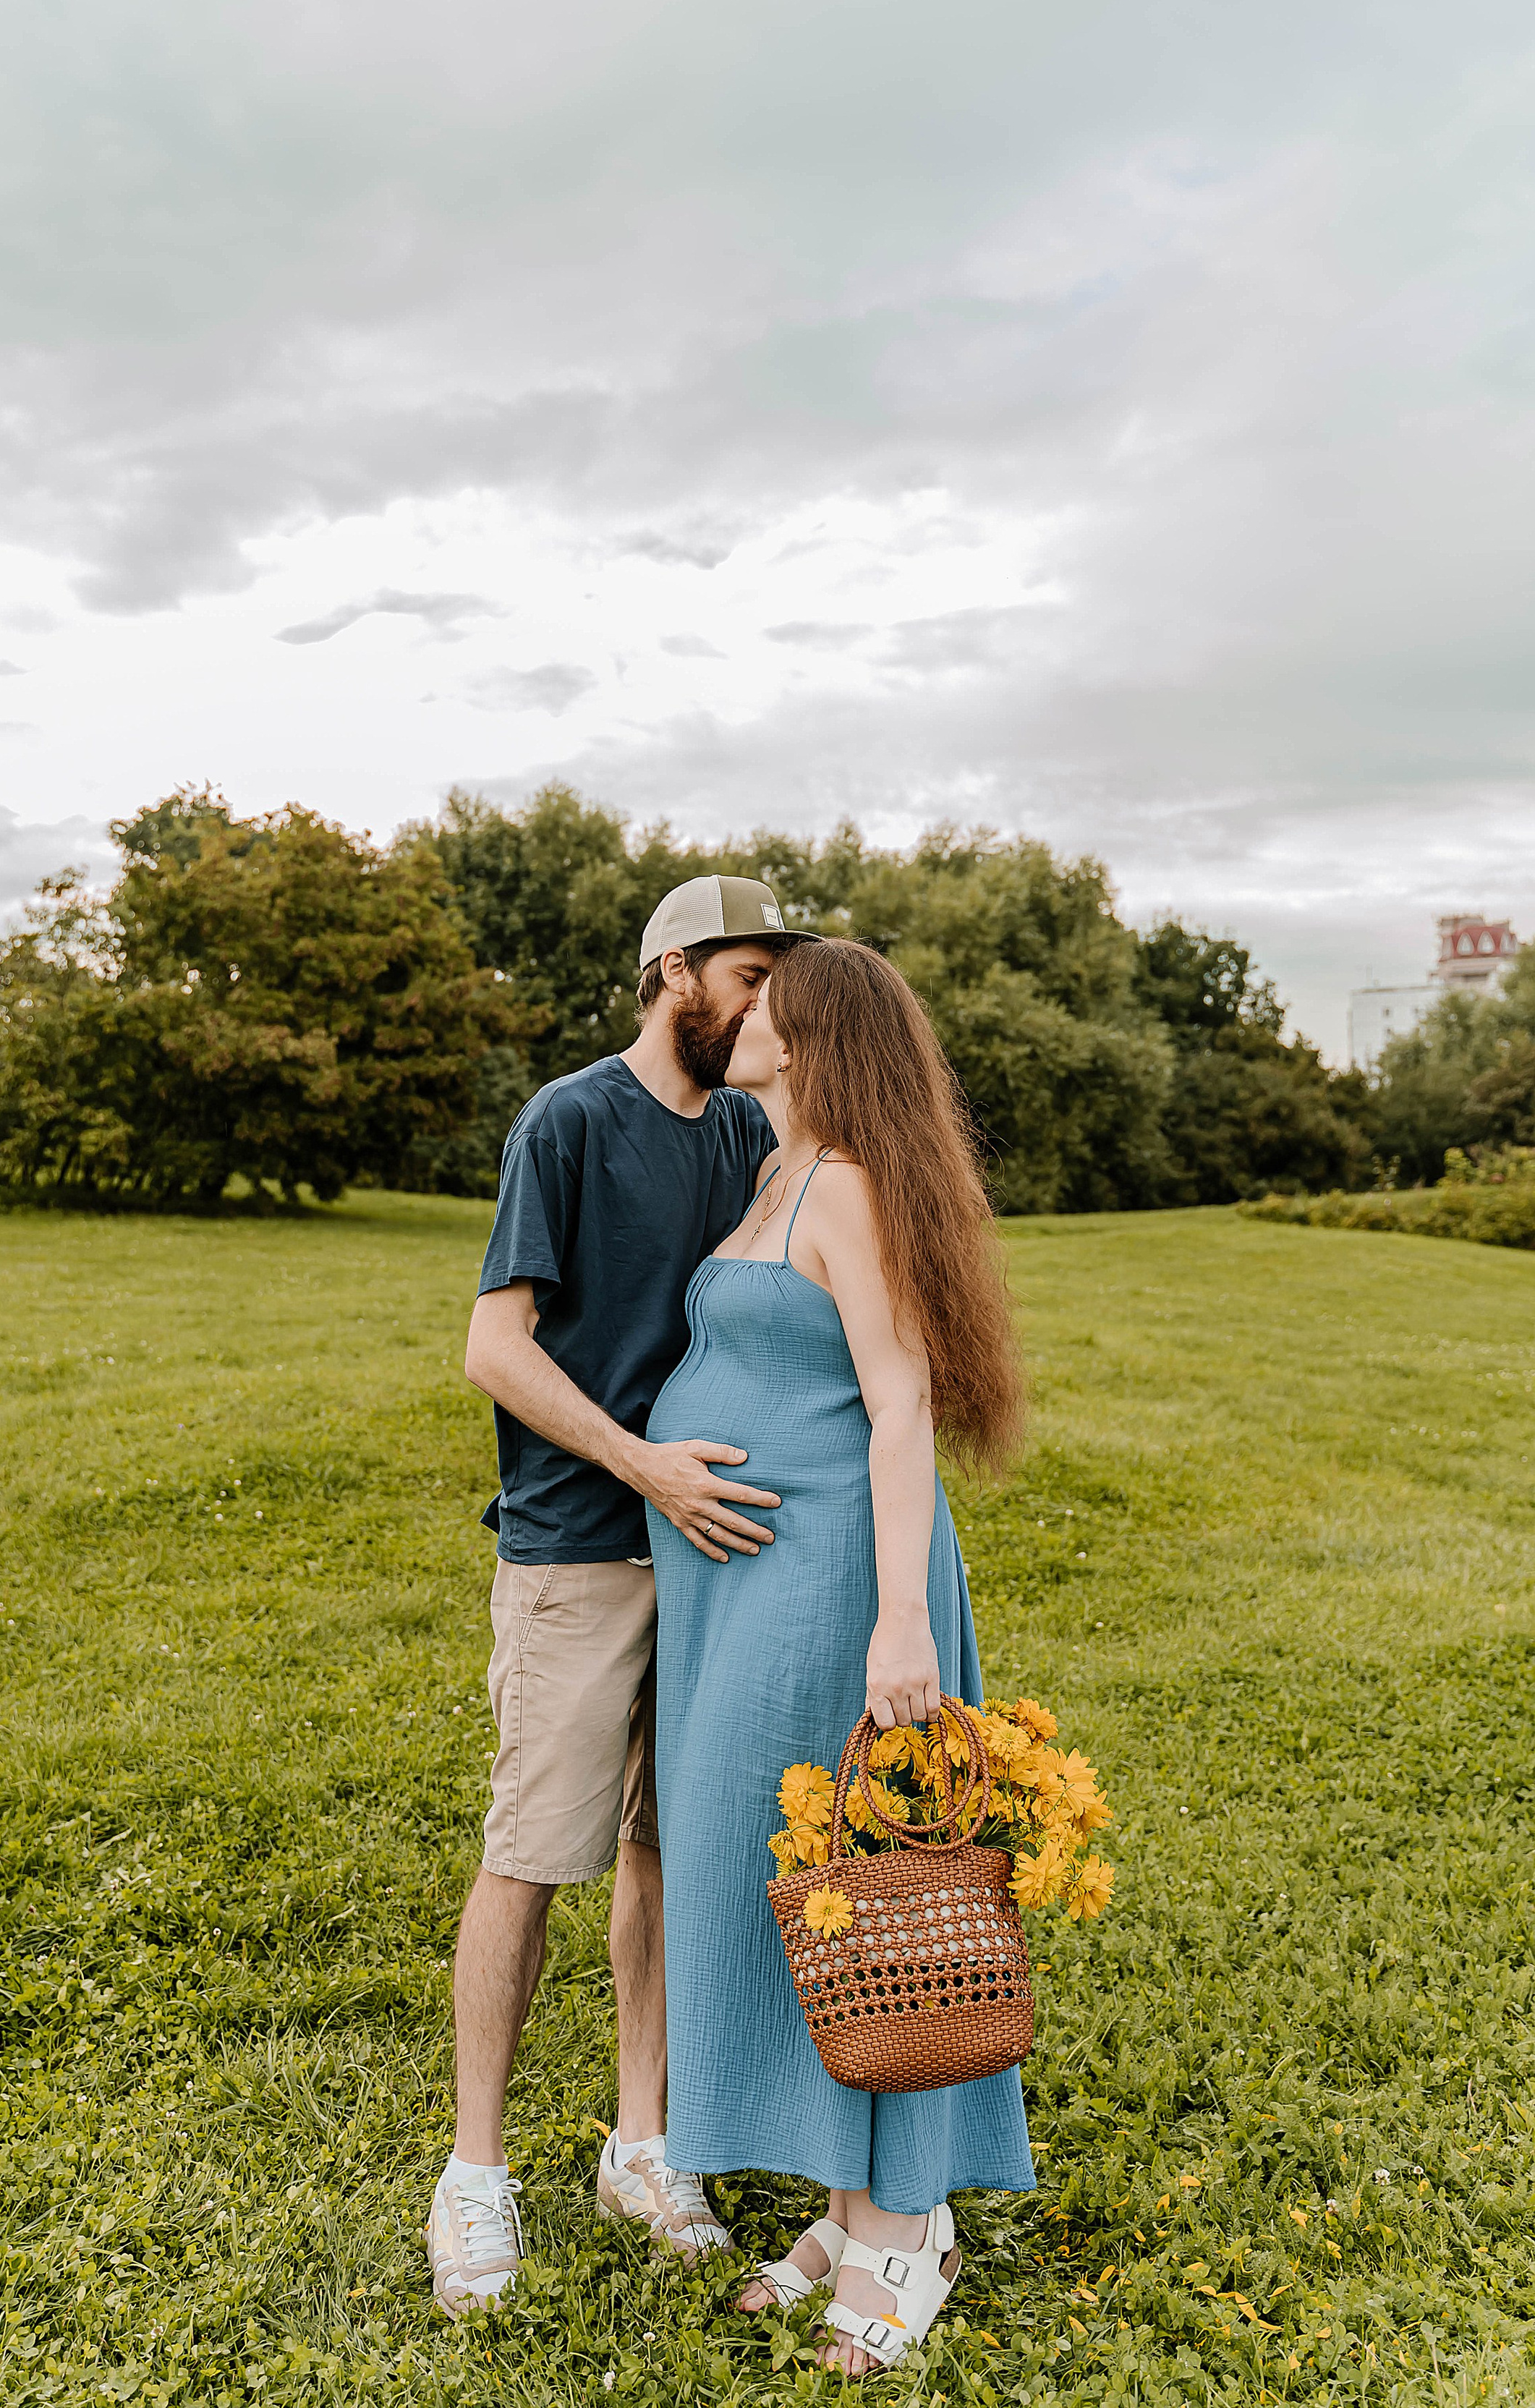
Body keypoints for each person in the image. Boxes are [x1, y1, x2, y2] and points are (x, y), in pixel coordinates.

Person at [645, 935, 1032, 2378]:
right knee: (790, 1888)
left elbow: (896, 1399)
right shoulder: (770, 1172)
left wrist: (896, 1621)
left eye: (764, 1004)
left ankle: (903, 2221)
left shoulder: (850, 1188)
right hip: (736, 1592)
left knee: (862, 1890)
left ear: (808, 1038)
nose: (738, 1017)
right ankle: (838, 2202)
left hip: (825, 1584)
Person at [425, 875, 804, 2318]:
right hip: (580, 1543)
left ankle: (642, 2146)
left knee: (662, 1853)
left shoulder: (759, 1139)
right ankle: (473, 2176)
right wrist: (643, 1462)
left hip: (713, 1556)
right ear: (670, 973)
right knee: (535, 1852)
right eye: (747, 975)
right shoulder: (570, 1121)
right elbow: (495, 1351)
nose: (765, 1004)